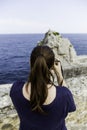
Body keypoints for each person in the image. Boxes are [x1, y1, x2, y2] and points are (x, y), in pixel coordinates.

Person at [10, 45, 76, 130]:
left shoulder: (16, 89)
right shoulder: (64, 94)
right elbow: (71, 107)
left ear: (30, 63)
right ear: (52, 66)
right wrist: (59, 74)